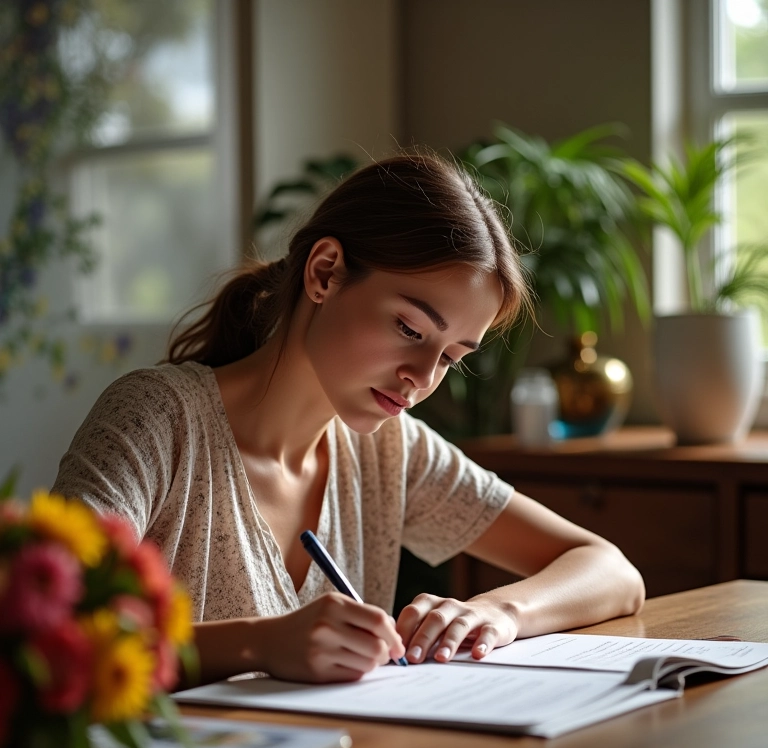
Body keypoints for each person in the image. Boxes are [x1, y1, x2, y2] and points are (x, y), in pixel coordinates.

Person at [52, 151, 645, 688]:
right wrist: (259, 641)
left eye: (450, 357)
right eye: (410, 329)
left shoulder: (391, 451)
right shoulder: (156, 419)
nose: (422, 376)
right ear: (325, 272)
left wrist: (497, 612)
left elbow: (611, 571)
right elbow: (48, 637)